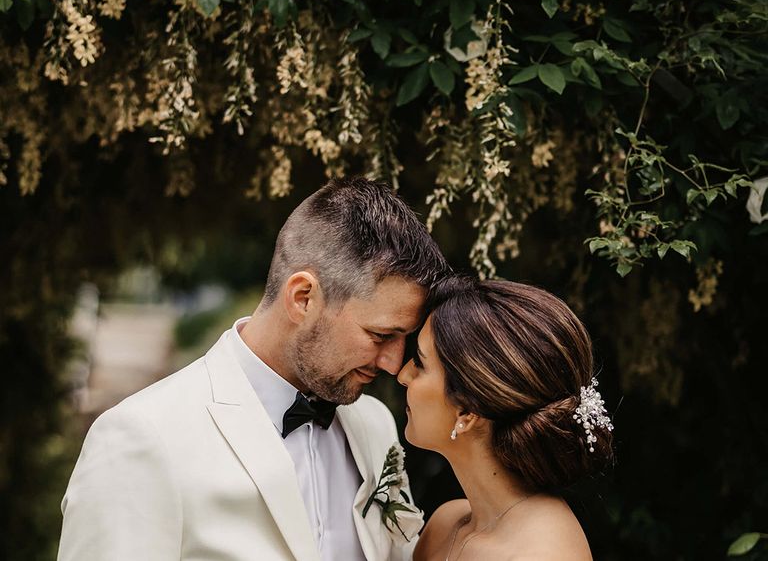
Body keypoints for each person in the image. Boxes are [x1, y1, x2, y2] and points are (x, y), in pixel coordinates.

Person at [58, 178, 449, 561]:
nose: (394, 363)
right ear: (303, 298)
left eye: (403, 339)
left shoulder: (375, 425)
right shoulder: (142, 437)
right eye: (380, 335)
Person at [398, 278, 614, 561]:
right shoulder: (444, 526)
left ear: (466, 411)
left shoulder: (543, 554)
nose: (403, 375)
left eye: (420, 363)